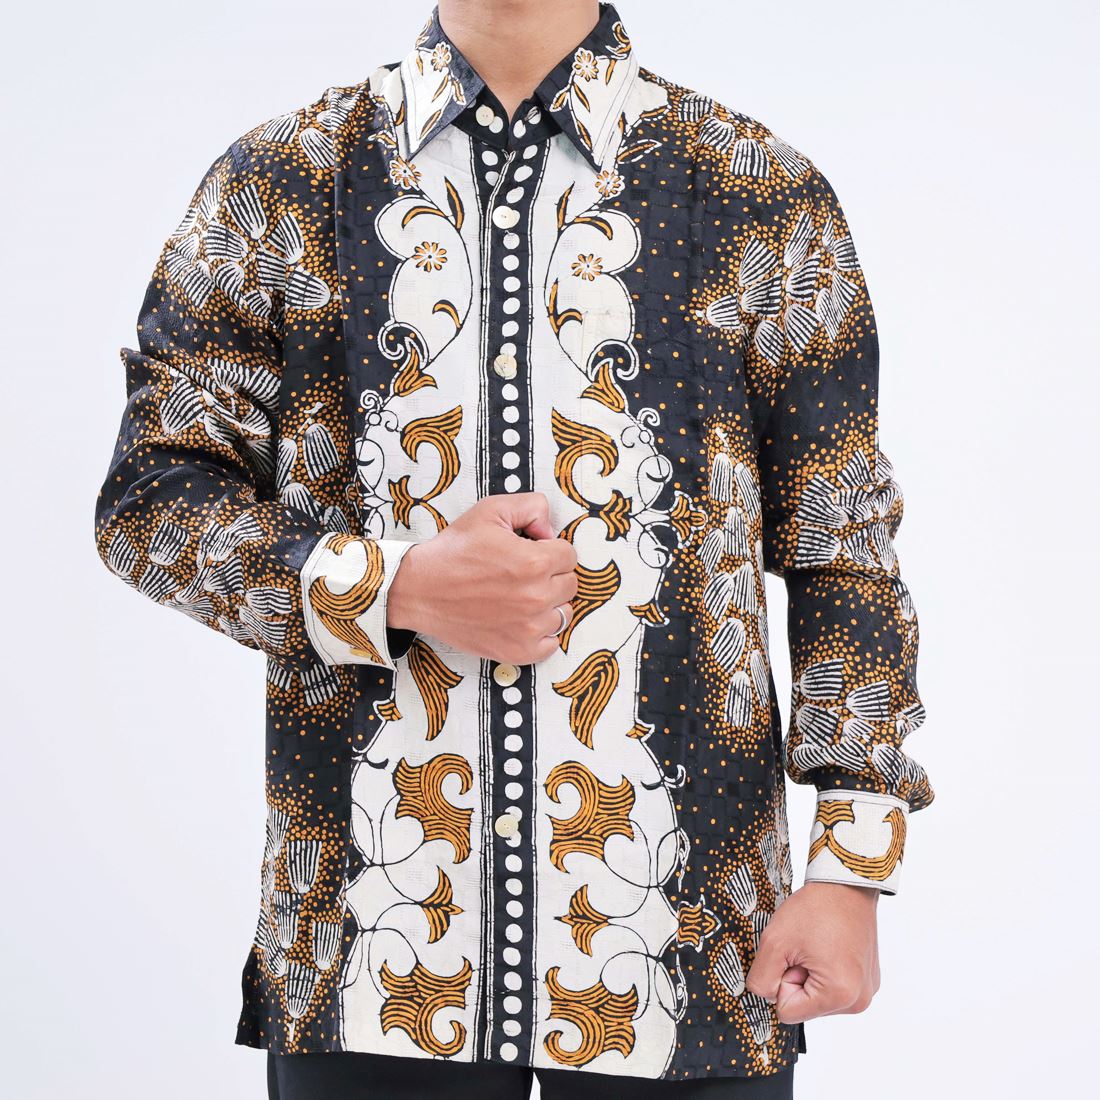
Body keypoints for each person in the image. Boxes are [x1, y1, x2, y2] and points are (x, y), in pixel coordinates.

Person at [93, 1, 933, 1096]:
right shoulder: (283, 181)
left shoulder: (755, 190)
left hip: (693, 946)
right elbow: (149, 499)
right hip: (368, 946)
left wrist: (850, 866)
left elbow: (843, 548)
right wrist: (393, 587)